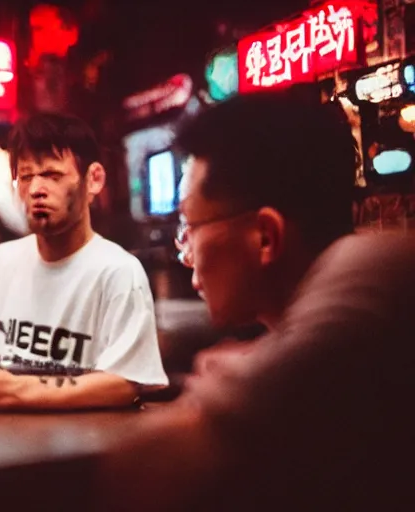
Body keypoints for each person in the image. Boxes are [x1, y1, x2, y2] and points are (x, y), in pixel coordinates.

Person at [98, 90, 415, 510]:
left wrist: (232, 381)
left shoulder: (376, 265)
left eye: (191, 226)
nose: (185, 253)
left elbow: (145, 466)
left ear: (265, 236)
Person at [0, 112, 168, 410]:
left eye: (53, 175)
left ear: (93, 179)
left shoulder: (117, 271)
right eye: (26, 177)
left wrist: (3, 388)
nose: (36, 190)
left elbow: (125, 383)